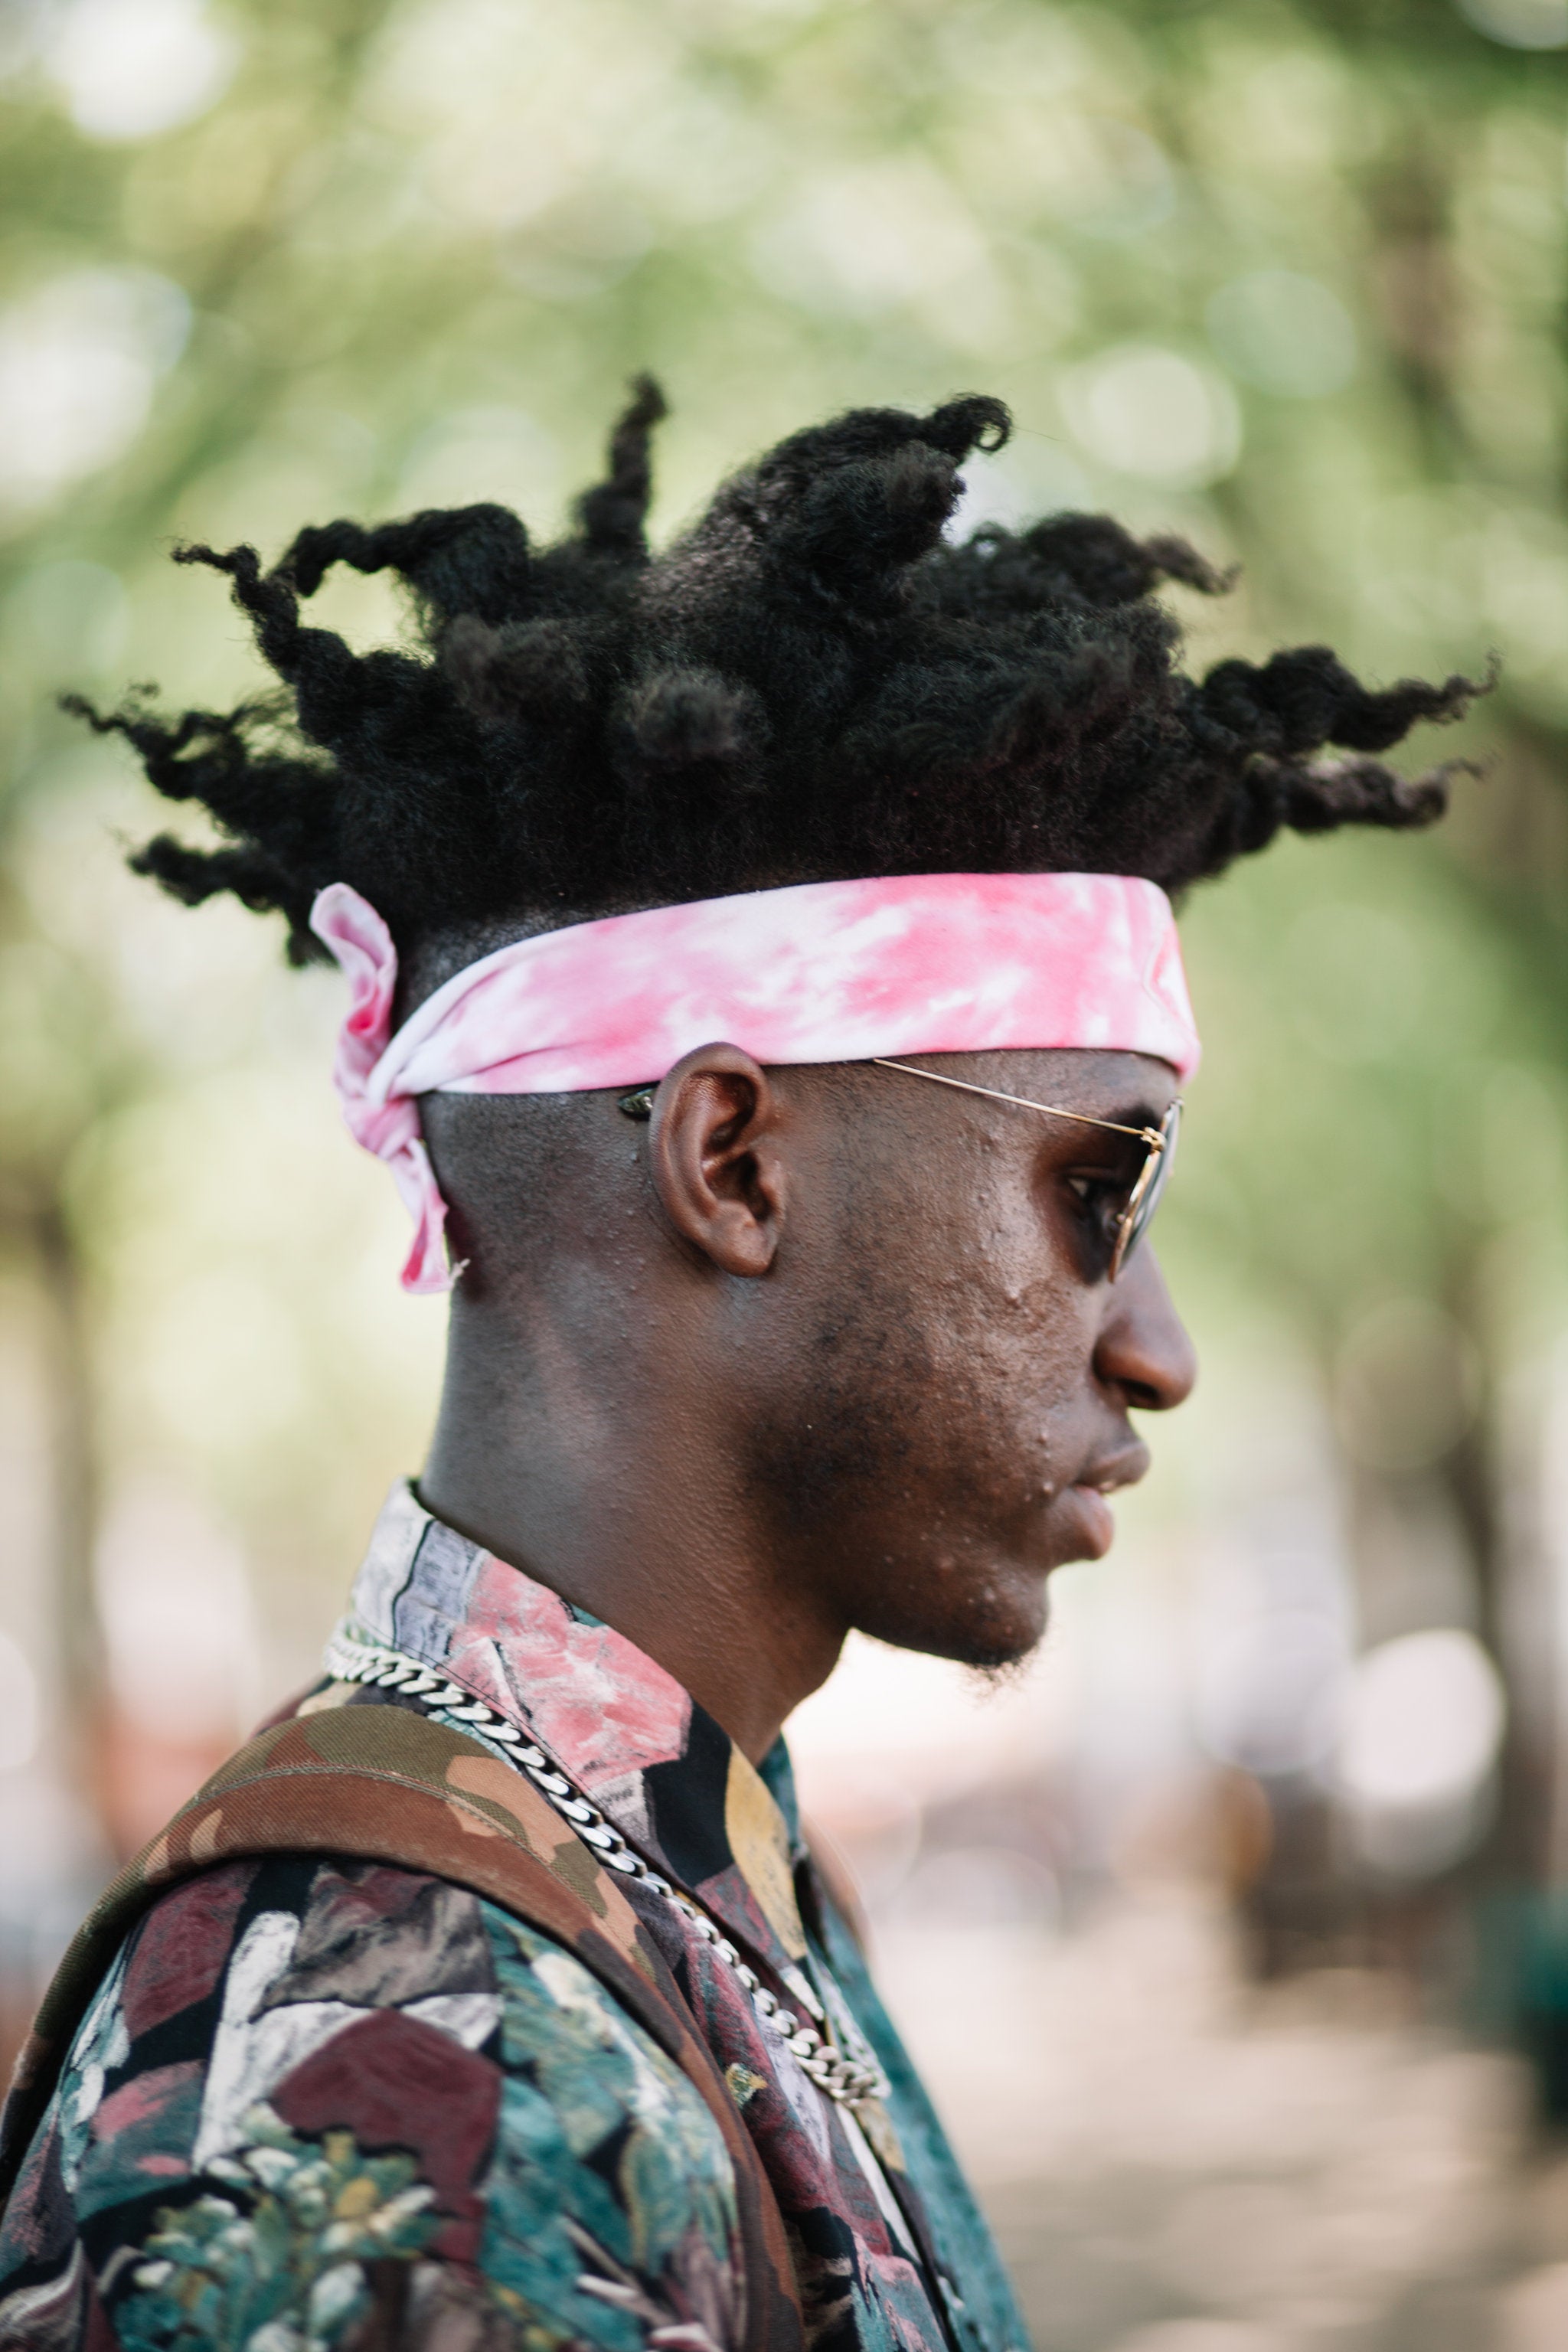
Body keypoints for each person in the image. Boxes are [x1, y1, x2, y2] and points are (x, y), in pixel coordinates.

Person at [0, 383, 1478, 2352]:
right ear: (734, 1161)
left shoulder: (687, 1858)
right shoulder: (403, 2058)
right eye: (1098, 1187)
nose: (1159, 1348)